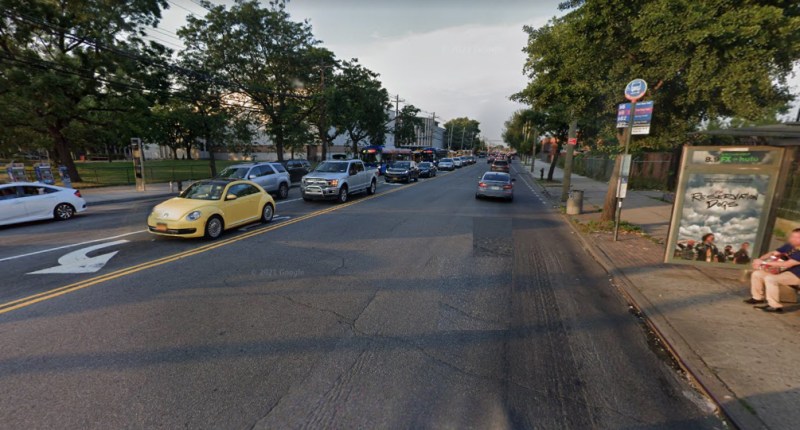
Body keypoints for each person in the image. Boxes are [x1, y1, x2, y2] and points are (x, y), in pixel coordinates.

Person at [745, 228, 800, 313]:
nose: (793, 239)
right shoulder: (790, 245)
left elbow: (787, 264)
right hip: (784, 272)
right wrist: (758, 260)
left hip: (796, 276)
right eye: (792, 236)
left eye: (797, 237)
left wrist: (762, 263)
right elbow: (773, 253)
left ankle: (775, 306)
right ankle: (757, 298)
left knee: (770, 279)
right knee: (757, 274)